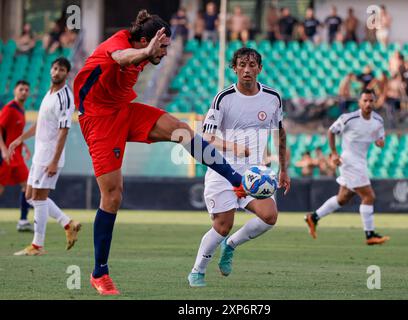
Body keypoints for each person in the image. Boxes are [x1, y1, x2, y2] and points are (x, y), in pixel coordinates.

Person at [73, 10, 250, 296]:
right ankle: (99, 273)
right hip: (98, 119)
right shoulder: (117, 45)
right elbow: (121, 58)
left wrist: (148, 52)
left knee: (181, 130)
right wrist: (145, 51)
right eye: (164, 47)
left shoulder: (144, 49)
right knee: (113, 195)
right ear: (145, 40)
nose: (166, 53)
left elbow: (133, 60)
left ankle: (236, 179)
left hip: (123, 109)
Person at [188, 47, 290, 287]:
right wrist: (233, 147)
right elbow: (207, 136)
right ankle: (198, 270)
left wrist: (284, 168)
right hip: (222, 170)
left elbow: (280, 133)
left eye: (252, 65)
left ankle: (231, 245)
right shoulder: (223, 98)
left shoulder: (273, 97)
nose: (247, 69)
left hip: (254, 172)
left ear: (259, 68)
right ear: (234, 68)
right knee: (223, 225)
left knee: (269, 216)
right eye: (242, 64)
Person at [12, 58, 82, 256]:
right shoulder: (49, 94)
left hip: (50, 155)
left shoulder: (65, 97)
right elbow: (41, 123)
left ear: (66, 73)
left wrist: (54, 160)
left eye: (61, 69)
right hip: (39, 154)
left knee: (38, 198)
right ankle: (67, 223)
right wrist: (20, 139)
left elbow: (64, 131)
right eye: (54, 68)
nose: (56, 71)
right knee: (29, 196)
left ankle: (37, 245)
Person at [304, 89, 390, 245]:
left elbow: (380, 138)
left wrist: (380, 142)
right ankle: (370, 235)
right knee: (369, 197)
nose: (368, 103)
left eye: (371, 101)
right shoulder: (349, 118)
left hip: (361, 161)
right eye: (365, 100)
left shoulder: (378, 120)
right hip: (349, 161)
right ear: (359, 102)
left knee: (343, 198)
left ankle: (313, 217)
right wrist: (334, 154)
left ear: (375, 102)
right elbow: (331, 131)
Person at [0, 81, 33, 232]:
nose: (24, 92)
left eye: (26, 90)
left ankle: (23, 220)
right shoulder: (9, 109)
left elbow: (15, 133)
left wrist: (23, 147)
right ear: (15, 90)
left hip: (17, 156)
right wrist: (3, 150)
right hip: (5, 156)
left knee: (28, 185)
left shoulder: (21, 109)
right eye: (21, 89)